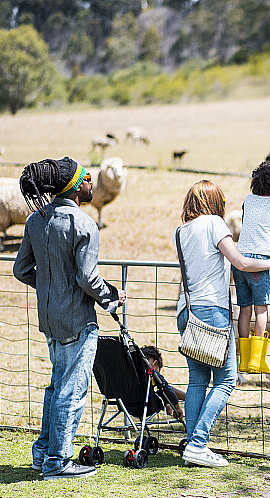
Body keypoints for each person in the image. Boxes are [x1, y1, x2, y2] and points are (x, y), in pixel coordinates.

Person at [13, 157, 126, 480]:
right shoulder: (83, 224)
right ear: (76, 187)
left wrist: (50, 284)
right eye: (88, 177)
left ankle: (42, 453)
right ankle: (58, 461)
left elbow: (21, 270)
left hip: (49, 319)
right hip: (77, 321)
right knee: (71, 391)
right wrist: (112, 299)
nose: (92, 182)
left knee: (56, 385)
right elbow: (89, 281)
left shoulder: (37, 220)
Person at [175, 180, 270, 468]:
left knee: (197, 381)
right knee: (226, 380)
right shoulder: (214, 224)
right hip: (212, 310)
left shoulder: (182, 231)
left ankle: (192, 446)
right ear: (215, 202)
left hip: (185, 310)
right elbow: (242, 263)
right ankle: (199, 443)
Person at [232, 161, 270, 376]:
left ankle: (243, 360)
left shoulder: (248, 200)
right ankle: (258, 361)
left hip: (239, 258)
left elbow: (246, 225)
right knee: (261, 309)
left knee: (244, 309)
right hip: (261, 259)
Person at [141, 345, 185, 419]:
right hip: (146, 405)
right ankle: (189, 398)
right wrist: (177, 408)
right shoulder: (151, 372)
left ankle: (167, 404)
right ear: (155, 363)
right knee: (165, 389)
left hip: (126, 404)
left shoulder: (130, 374)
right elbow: (167, 389)